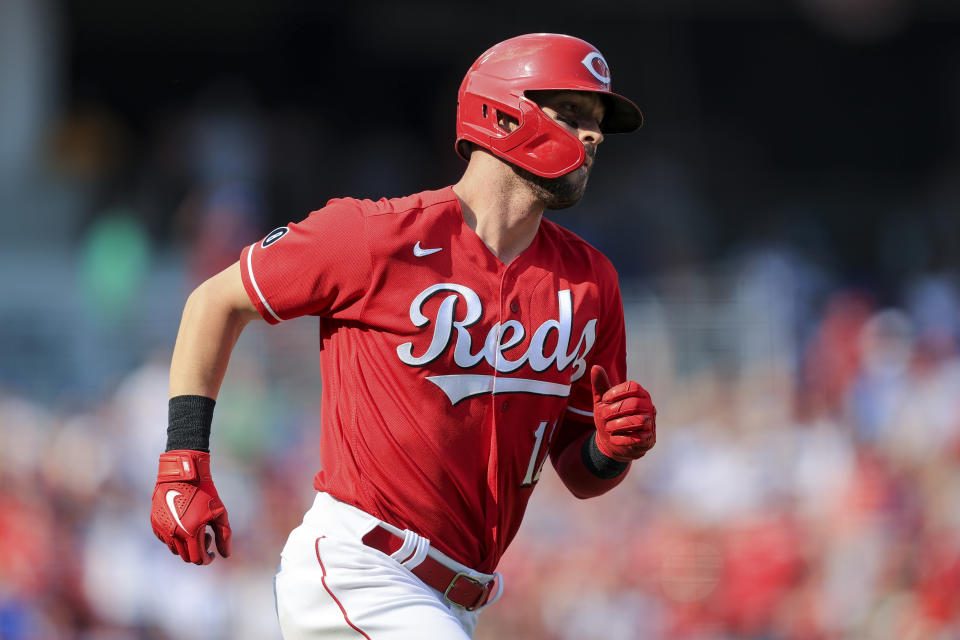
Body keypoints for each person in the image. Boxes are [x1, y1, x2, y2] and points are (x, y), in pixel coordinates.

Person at [150, 32, 657, 639]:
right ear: (501, 111)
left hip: (456, 602)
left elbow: (579, 471)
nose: (593, 135)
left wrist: (610, 449)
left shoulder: (590, 281)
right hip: (360, 570)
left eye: (598, 121)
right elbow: (215, 301)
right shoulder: (371, 236)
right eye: (571, 114)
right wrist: (184, 461)